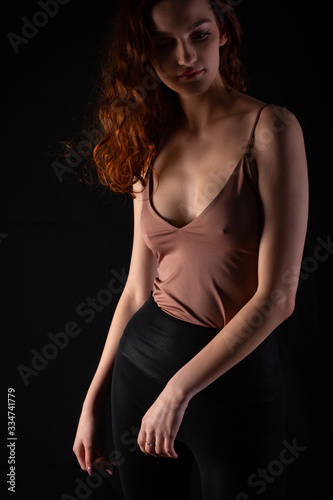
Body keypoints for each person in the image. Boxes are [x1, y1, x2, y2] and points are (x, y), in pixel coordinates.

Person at [73, 0, 308, 498]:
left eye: (199, 35)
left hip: (236, 387)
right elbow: (137, 288)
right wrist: (95, 398)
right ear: (144, 56)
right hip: (139, 376)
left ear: (223, 33)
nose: (185, 56)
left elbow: (278, 297)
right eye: (163, 46)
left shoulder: (272, 129)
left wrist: (178, 391)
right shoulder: (151, 138)